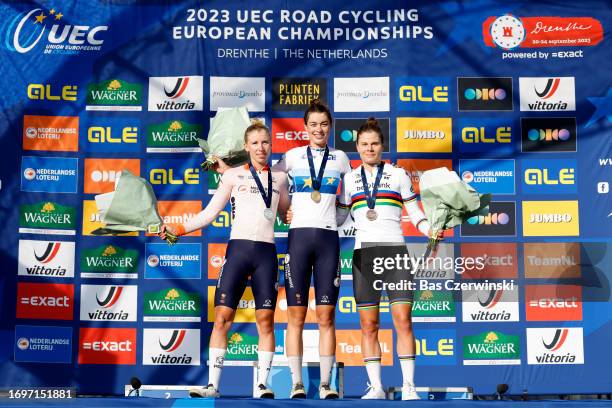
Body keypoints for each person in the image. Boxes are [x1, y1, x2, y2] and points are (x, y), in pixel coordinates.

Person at [217, 100, 351, 398]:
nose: (318, 129)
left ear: (330, 127)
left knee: (327, 316)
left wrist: (337, 217)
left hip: (329, 240)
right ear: (305, 128)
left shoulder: (341, 159)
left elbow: (351, 195)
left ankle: (327, 384)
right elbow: (262, 175)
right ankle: (296, 383)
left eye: (324, 124)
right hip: (298, 241)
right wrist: (227, 170)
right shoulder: (290, 158)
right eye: (313, 124)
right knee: (296, 317)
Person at [159, 122, 290, 399]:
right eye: (255, 143)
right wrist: (178, 229)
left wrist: (295, 216)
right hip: (238, 252)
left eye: (265, 142)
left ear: (271, 144)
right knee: (222, 317)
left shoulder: (279, 178)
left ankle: (262, 385)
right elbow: (208, 213)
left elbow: (286, 211)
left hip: (267, 253)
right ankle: (212, 386)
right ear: (245, 147)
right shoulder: (231, 176)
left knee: (266, 321)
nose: (261, 148)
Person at [336, 118, 442, 400]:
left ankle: (409, 386)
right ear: (356, 148)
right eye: (364, 144)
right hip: (364, 254)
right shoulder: (349, 180)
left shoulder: (398, 175)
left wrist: (429, 230)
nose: (369, 149)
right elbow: (337, 218)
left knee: (403, 320)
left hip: (395, 252)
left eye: (374, 144)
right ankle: (377, 387)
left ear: (382, 146)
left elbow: (415, 213)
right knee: (368, 325)